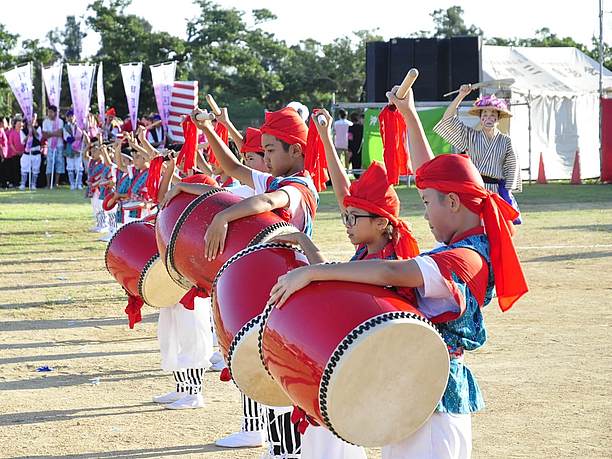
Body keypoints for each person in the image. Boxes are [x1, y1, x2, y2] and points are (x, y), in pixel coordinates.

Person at [267, 86, 528, 459]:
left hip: (435, 399)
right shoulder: (467, 241)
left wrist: (316, 273)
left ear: (453, 202)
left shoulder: (468, 259)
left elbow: (393, 269)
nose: (423, 213)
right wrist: (408, 113)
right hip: (412, 388)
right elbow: (429, 174)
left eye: (425, 203)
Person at [267, 108, 420, 459]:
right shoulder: (367, 251)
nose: (346, 222)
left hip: (369, 371)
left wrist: (308, 263)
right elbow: (343, 193)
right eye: (346, 216)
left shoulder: (389, 263)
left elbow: (334, 278)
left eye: (354, 218)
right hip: (348, 361)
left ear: (382, 223)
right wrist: (323, 137)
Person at [192, 105, 322, 459]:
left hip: (287, 283)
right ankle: (279, 447)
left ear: (295, 150)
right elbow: (234, 169)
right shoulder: (279, 177)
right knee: (264, 364)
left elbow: (268, 201)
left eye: (269, 151)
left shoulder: (298, 186)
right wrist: (207, 129)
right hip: (271, 281)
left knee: (280, 370)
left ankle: (288, 450)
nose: (263, 158)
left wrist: (224, 215)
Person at [434, 86, 522, 222]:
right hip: (473, 188)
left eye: (493, 115)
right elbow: (447, 120)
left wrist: (507, 192)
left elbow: (512, 167)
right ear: (480, 119)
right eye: (485, 115)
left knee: (493, 227)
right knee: (473, 224)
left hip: (494, 191)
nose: (488, 118)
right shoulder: (470, 136)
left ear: (498, 119)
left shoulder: (506, 141)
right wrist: (461, 95)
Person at [42, 105, 65, 189]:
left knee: (59, 163)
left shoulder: (60, 121)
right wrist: (54, 133)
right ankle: (48, 183)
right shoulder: (45, 122)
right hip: (50, 146)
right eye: (48, 112)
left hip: (59, 146)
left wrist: (50, 133)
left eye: (51, 112)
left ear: (55, 113)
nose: (49, 113)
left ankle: (56, 183)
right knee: (49, 164)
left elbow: (60, 133)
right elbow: (44, 135)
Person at [19, 116, 42, 191]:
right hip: (27, 152)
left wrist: (32, 128)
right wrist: (28, 134)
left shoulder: (38, 128)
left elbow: (39, 137)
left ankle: (33, 184)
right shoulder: (22, 131)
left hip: (36, 152)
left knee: (35, 169)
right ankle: (23, 184)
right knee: (24, 168)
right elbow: (22, 142)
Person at [6, 116, 25, 188]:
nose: (20, 125)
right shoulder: (12, 133)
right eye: (18, 123)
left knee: (22, 168)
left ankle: (22, 182)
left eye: (21, 123)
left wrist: (23, 151)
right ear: (15, 124)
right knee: (15, 169)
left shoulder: (22, 132)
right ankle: (16, 183)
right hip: (15, 154)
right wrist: (16, 151)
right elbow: (11, 144)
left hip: (23, 154)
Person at [348, 112, 363, 178]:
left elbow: (349, 139)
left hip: (353, 148)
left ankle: (356, 176)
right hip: (361, 147)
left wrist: (349, 148)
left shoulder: (350, 128)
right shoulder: (362, 127)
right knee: (360, 162)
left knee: (354, 162)